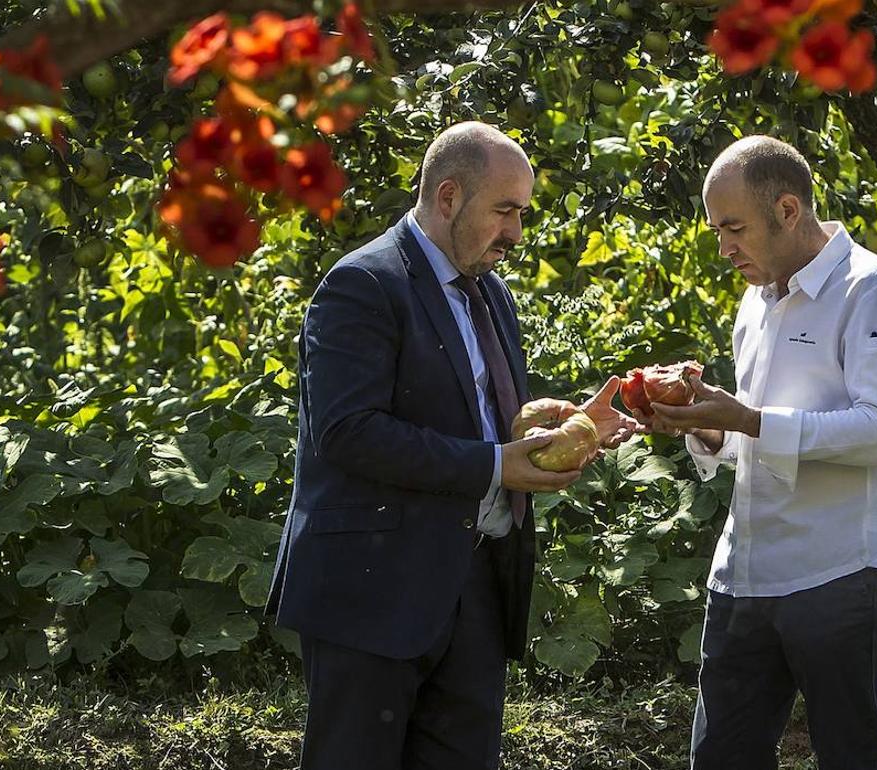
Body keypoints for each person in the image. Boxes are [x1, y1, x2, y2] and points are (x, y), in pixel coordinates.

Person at [265, 121, 639, 770]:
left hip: (474, 588)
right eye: (504, 211)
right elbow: (347, 431)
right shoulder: (363, 284)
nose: (516, 234)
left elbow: (472, 418)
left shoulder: (492, 293)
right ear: (447, 196)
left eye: (522, 213)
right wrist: (499, 464)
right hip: (373, 591)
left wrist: (558, 430)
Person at [640, 135, 877, 770]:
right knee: (719, 758)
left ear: (789, 210)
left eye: (734, 228)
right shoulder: (755, 299)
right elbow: (758, 433)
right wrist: (710, 430)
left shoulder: (873, 290)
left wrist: (745, 417)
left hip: (841, 571)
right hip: (744, 572)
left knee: (849, 756)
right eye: (717, 229)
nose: (724, 248)